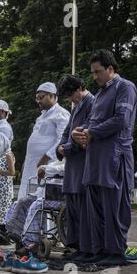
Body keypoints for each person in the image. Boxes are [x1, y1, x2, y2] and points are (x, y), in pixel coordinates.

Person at [72, 49, 137, 266]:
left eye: (98, 71)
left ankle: (116, 251)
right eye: (92, 72)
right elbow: (93, 121)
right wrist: (81, 131)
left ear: (111, 69)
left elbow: (121, 119)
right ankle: (99, 250)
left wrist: (92, 132)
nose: (94, 76)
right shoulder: (100, 94)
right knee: (96, 208)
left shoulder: (124, 87)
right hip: (96, 158)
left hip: (114, 156)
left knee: (114, 206)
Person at [56, 74, 95, 260]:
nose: (70, 99)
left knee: (83, 207)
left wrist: (68, 147)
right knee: (72, 206)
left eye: (71, 94)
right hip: (72, 164)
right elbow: (67, 131)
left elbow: (85, 132)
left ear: (79, 88)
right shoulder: (77, 106)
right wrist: (60, 147)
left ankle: (85, 248)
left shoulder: (91, 103)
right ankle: (74, 245)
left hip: (83, 162)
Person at [18, 82, 70, 199]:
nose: (38, 101)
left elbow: (63, 139)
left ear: (51, 96)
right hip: (31, 164)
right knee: (25, 197)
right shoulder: (41, 117)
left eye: (41, 97)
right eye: (37, 98)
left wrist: (47, 156)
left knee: (41, 199)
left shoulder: (61, 114)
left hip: (48, 163)